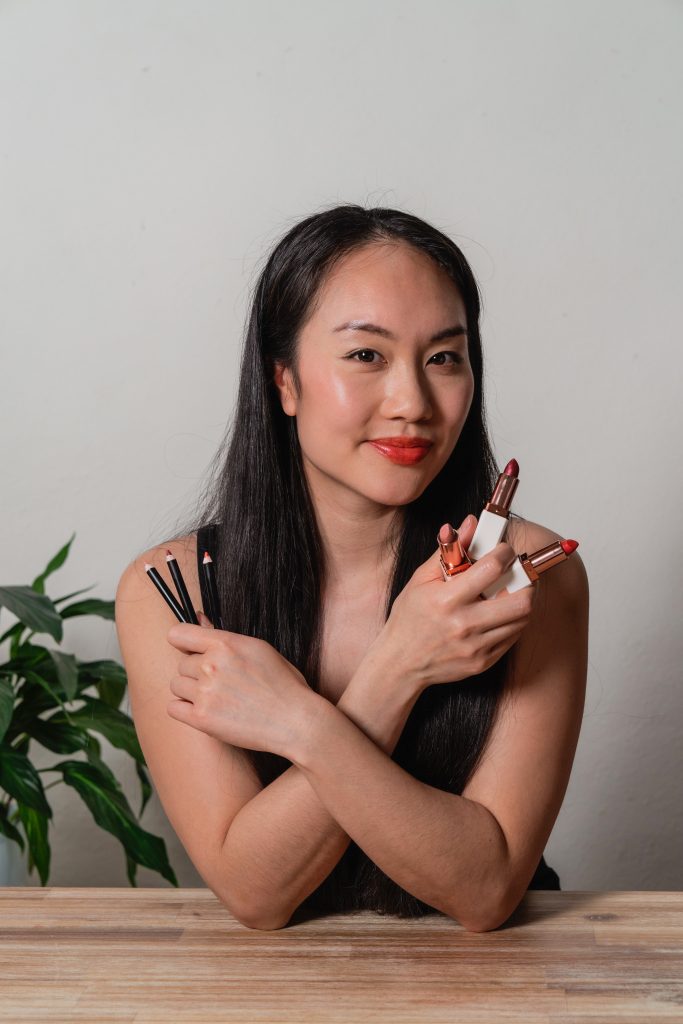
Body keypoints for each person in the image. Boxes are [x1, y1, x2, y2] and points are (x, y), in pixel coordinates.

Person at [115, 204, 589, 932]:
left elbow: (485, 889)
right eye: (366, 355)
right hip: (275, 995)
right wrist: (395, 672)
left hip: (492, 987)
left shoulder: (524, 574)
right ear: (284, 382)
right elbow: (255, 893)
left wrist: (302, 720)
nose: (412, 403)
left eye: (443, 357)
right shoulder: (172, 595)